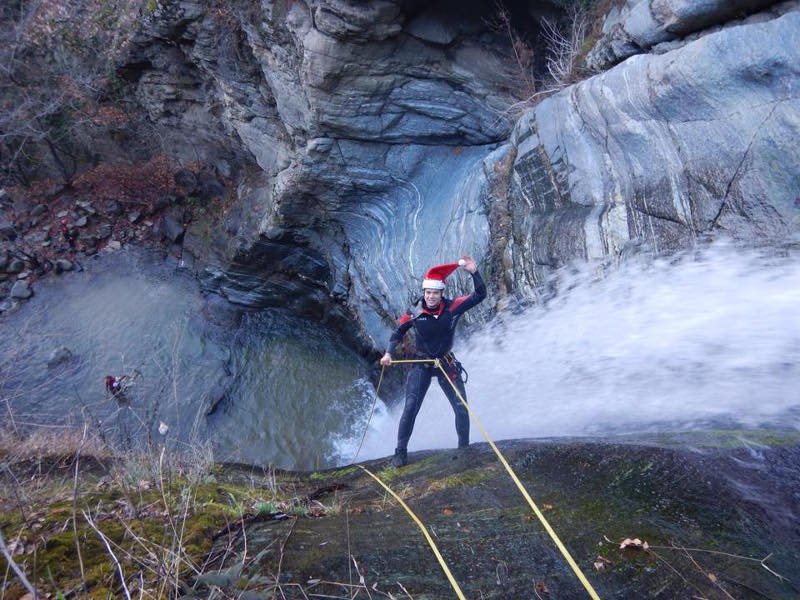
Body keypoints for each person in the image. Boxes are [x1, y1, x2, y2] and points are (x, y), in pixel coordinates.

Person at [380, 256, 486, 467]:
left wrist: (474, 272)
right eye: (427, 293)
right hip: (422, 365)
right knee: (410, 407)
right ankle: (400, 453)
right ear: (424, 293)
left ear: (441, 293)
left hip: (446, 362)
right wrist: (389, 353)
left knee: (461, 407)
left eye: (434, 293)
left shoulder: (453, 307)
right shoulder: (414, 312)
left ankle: (464, 449)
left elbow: (480, 295)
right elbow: (398, 332)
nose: (430, 297)